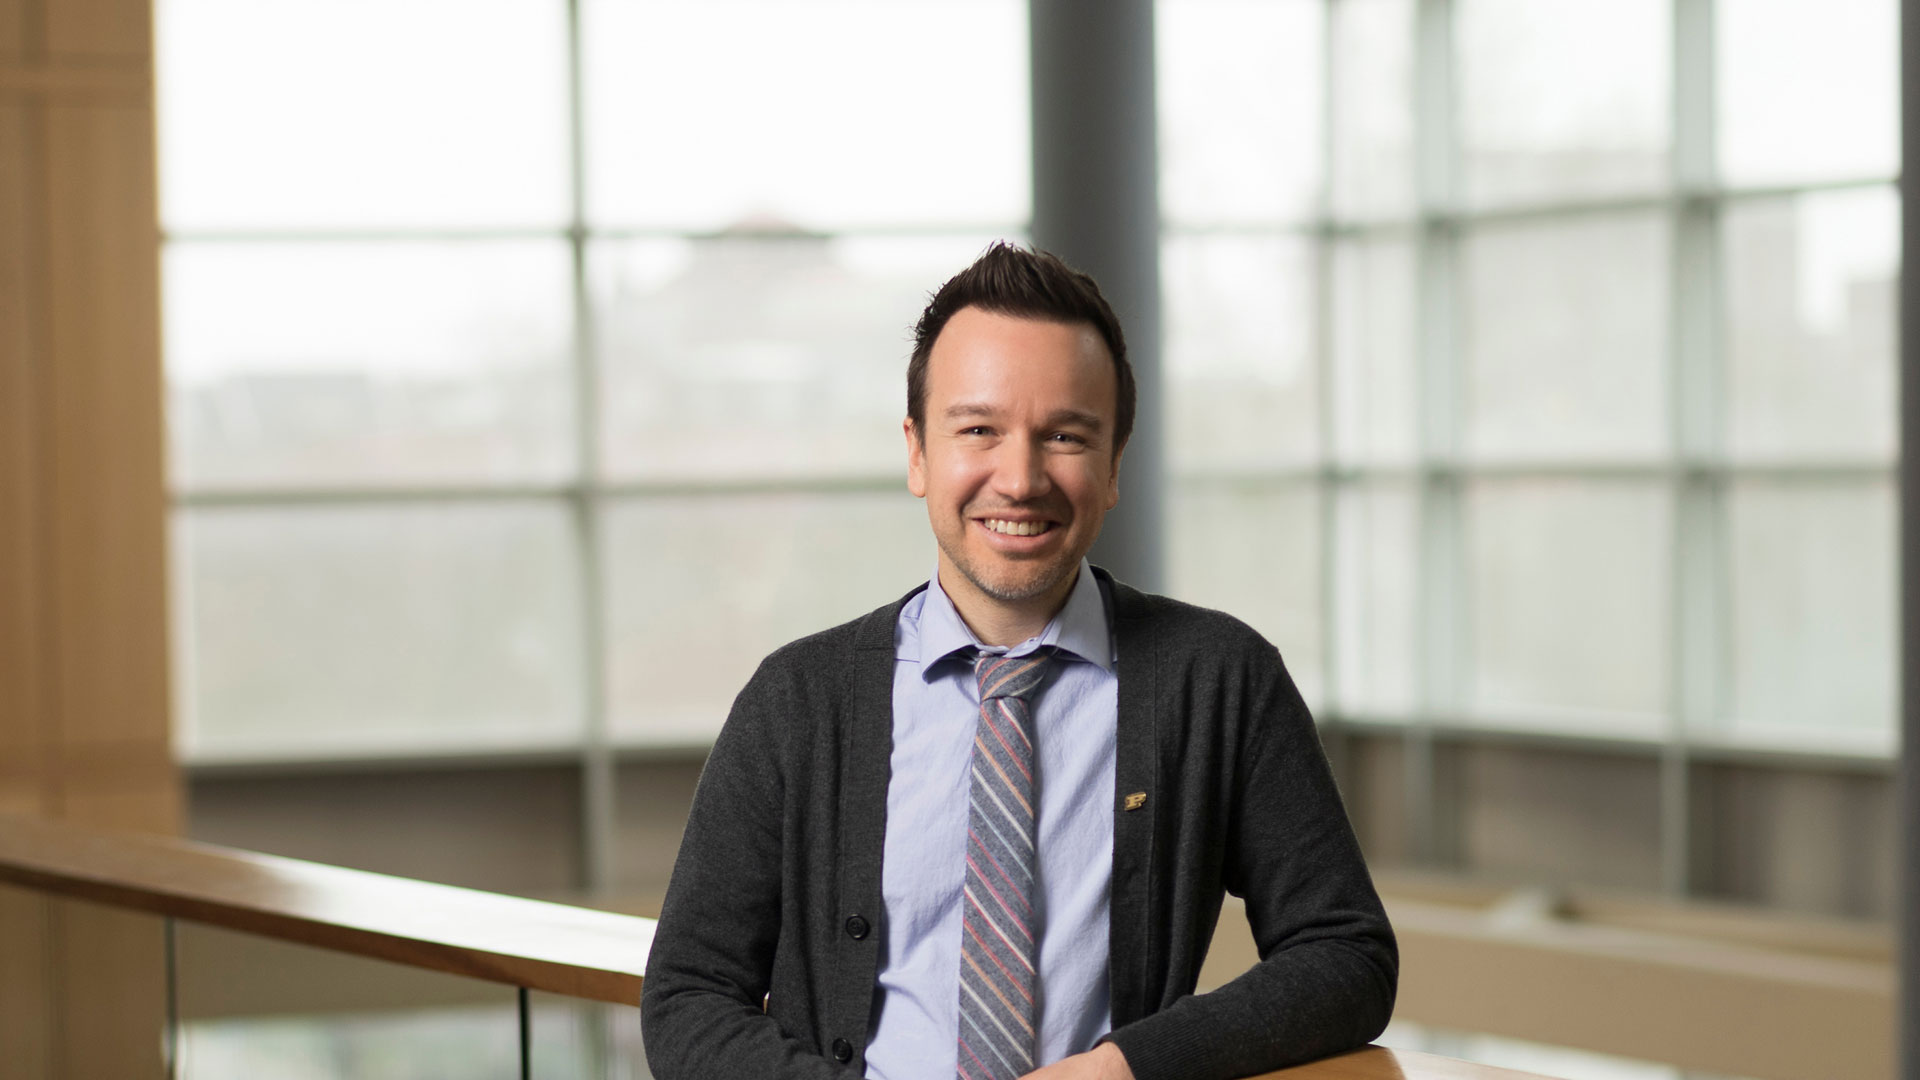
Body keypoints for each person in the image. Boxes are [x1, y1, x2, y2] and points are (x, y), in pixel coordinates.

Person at [640, 243, 1396, 1080]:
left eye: (1066, 435)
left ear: (1114, 465)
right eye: (978, 430)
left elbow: (1347, 955)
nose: (1021, 476)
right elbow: (689, 995)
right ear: (918, 453)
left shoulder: (1220, 680)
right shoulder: (797, 700)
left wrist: (1127, 1067)